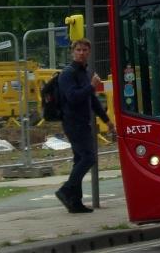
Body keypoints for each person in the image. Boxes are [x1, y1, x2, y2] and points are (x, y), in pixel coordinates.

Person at [55, 38, 115, 214]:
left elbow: (92, 100)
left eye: (85, 50)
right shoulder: (67, 73)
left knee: (79, 160)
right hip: (73, 122)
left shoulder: (85, 72)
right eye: (78, 50)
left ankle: (75, 202)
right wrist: (91, 86)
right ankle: (66, 190)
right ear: (72, 52)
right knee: (88, 158)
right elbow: (73, 97)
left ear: (89, 52)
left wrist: (107, 120)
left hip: (83, 121)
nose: (81, 53)